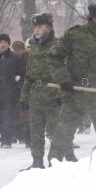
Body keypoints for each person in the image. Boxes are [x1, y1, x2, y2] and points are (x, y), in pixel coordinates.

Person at [47, 0, 96, 163]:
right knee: (61, 139)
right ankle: (53, 171)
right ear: (95, 18)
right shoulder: (75, 35)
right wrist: (63, 80)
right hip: (73, 94)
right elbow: (54, 57)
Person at [19, 13, 60, 169]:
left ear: (49, 28)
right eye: (35, 27)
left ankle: (55, 162)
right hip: (36, 97)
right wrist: (24, 97)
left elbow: (66, 72)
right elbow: (29, 75)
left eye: (40, 27)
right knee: (35, 133)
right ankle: (37, 162)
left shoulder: (58, 45)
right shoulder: (33, 47)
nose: (37, 30)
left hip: (53, 97)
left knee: (55, 133)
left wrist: (62, 95)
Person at [0, 33, 24, 148]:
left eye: (4, 42)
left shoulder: (14, 57)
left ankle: (6, 141)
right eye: (0, 42)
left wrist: (17, 88)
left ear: (8, 44)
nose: (2, 44)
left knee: (7, 118)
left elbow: (20, 74)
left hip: (9, 94)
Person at [12, 40, 30, 147]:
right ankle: (20, 137)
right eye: (15, 50)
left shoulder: (28, 59)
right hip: (16, 90)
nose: (16, 52)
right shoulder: (14, 59)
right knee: (17, 114)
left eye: (19, 50)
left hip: (26, 89)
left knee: (26, 115)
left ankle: (26, 138)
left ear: (23, 50)